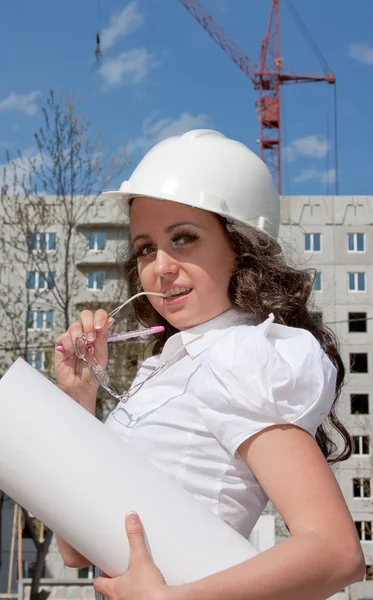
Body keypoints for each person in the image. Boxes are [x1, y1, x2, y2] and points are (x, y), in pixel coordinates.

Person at [54, 129, 364, 600]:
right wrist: (79, 399)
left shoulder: (244, 357)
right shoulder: (162, 372)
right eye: (145, 248)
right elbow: (76, 549)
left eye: (184, 239)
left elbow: (336, 553)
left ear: (242, 249)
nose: (160, 267)